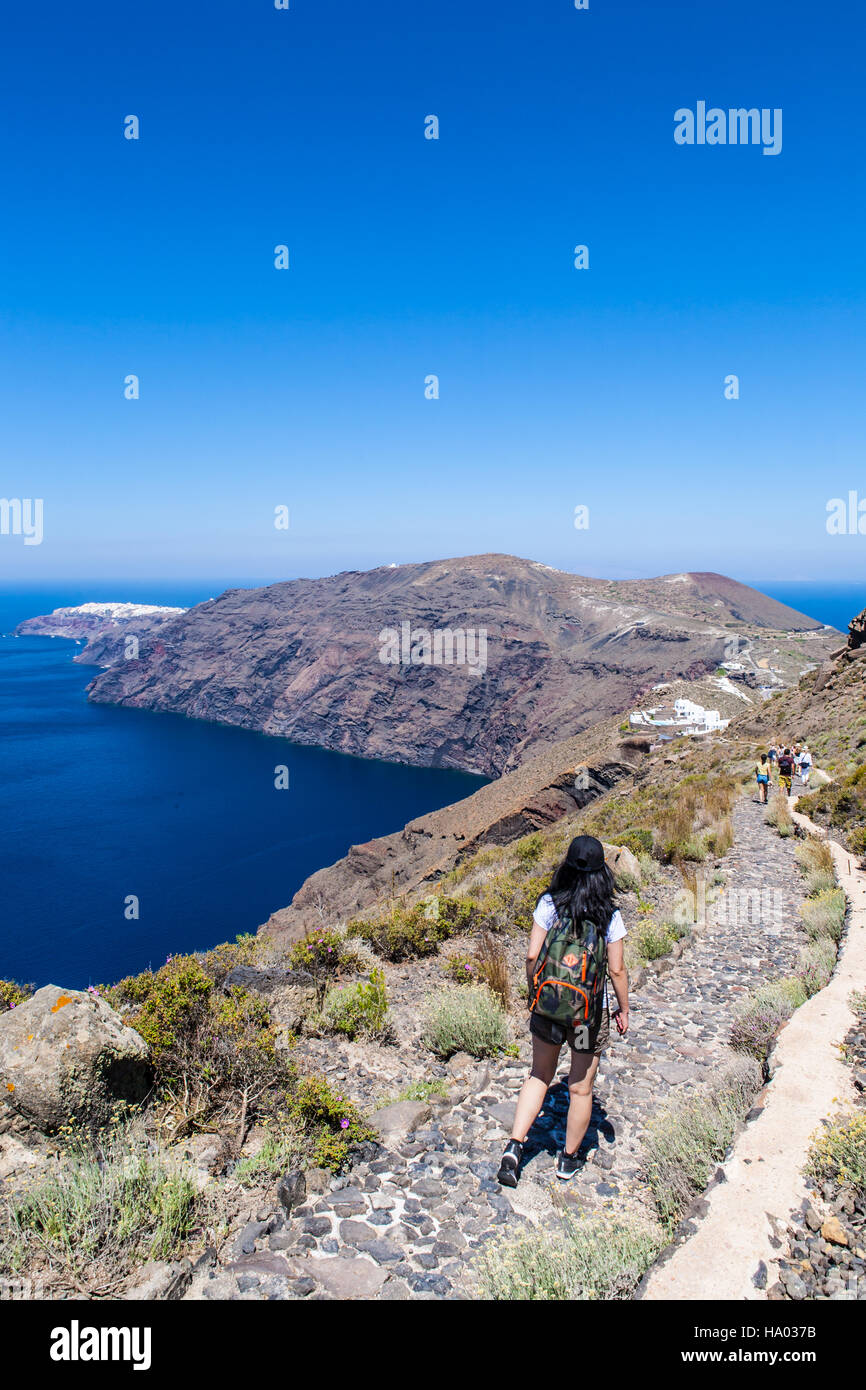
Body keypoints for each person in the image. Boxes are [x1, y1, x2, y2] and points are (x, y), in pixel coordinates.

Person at [497, 835, 629, 1187]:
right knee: (581, 1088)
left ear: (566, 866)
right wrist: (623, 1008)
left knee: (539, 1075)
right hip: (586, 1016)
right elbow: (616, 970)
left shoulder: (549, 904)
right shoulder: (609, 915)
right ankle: (568, 1159)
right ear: (603, 872)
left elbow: (531, 956)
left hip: (548, 1006)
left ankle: (514, 1147)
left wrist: (534, 993)